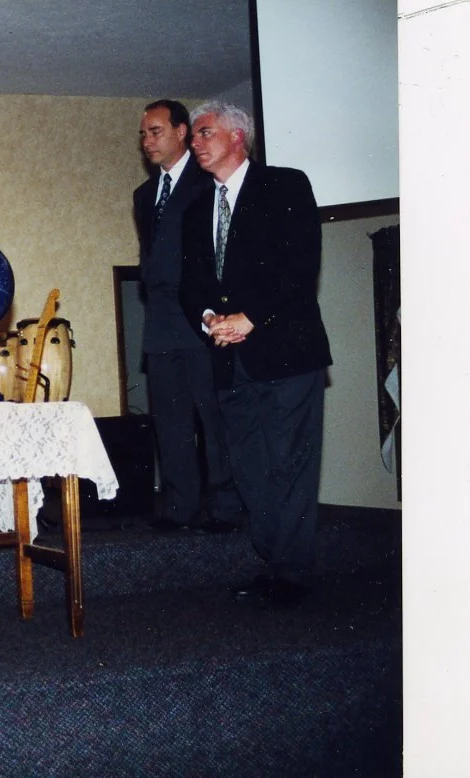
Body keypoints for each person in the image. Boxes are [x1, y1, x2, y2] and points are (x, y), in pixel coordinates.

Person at [179, 102, 332, 607]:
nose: (196, 142)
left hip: (286, 352)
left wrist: (251, 318)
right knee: (249, 467)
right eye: (196, 135)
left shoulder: (285, 185)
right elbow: (192, 284)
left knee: (289, 462)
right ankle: (275, 564)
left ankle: (294, 572)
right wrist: (209, 320)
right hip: (228, 356)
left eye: (205, 133)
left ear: (237, 136)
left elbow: (299, 264)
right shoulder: (199, 206)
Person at [132, 99, 244, 534]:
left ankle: (225, 509)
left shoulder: (208, 183)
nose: (147, 141)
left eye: (156, 131)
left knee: (212, 415)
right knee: (171, 418)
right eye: (143, 134)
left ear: (182, 132)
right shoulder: (144, 195)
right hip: (159, 319)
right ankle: (180, 508)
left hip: (200, 315)